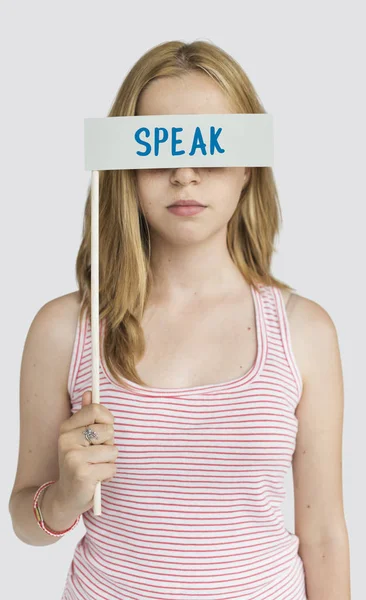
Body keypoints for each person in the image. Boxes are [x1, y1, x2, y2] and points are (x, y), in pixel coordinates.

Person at [9, 40, 350, 600]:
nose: (184, 173)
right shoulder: (64, 330)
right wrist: (66, 494)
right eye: (158, 147)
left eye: (211, 147)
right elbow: (26, 519)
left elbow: (325, 535)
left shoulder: (304, 332)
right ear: (126, 166)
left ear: (247, 168)